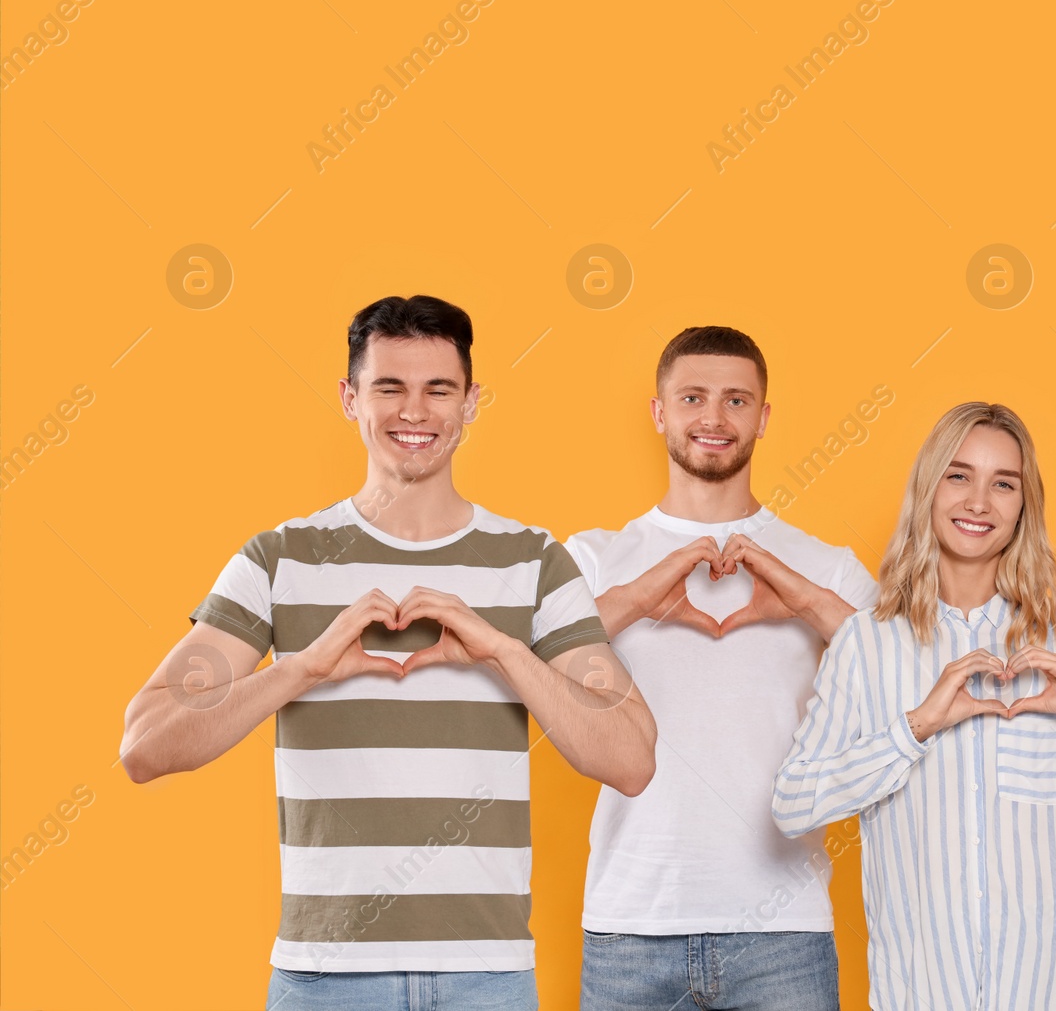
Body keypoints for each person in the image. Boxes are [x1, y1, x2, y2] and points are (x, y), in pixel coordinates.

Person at [119, 295, 657, 1010]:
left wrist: (502, 650)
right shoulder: (279, 559)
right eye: (389, 387)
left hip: (485, 977)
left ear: (471, 402)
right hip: (323, 977)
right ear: (350, 398)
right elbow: (146, 744)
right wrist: (301, 667)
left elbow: (630, 758)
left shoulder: (533, 562)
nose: (415, 412)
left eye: (439, 389)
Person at [773, 402, 1056, 1011]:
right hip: (921, 993)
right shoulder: (866, 645)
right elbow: (793, 805)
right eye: (959, 475)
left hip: (1053, 993)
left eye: (1004, 484)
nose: (979, 502)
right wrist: (916, 729)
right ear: (928, 488)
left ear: (1024, 507)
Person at [567, 326, 878, 1011]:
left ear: (763, 417)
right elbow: (527, 661)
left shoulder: (826, 566)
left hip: (784, 932)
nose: (713, 417)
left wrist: (800, 598)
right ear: (659, 411)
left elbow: (904, 684)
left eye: (737, 399)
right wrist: (641, 595)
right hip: (631, 925)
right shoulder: (593, 560)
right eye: (693, 397)